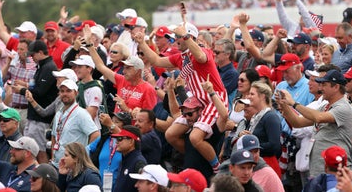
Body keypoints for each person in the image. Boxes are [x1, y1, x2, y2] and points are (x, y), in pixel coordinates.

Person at [135, 22, 228, 172]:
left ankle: (216, 167)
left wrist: (185, 36)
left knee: (195, 137)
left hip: (214, 99)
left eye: (177, 36)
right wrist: (142, 43)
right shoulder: (181, 57)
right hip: (197, 102)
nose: (175, 39)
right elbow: (156, 61)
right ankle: (196, 154)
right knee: (171, 134)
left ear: (189, 37)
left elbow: (200, 57)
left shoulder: (204, 51)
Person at [278, 69, 352, 177]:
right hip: (318, 170)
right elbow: (298, 123)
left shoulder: (344, 106)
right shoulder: (325, 106)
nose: (320, 88)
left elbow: (318, 117)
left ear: (336, 87)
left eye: (324, 84)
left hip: (336, 172)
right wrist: (285, 105)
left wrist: (293, 103)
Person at [84, 25, 157, 115]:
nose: (124, 71)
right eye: (124, 67)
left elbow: (150, 118)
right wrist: (89, 44)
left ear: (138, 71)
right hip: (117, 127)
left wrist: (127, 109)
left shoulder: (148, 89)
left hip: (134, 128)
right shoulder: (122, 80)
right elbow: (100, 66)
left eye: (128, 68)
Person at [13, 40, 59, 163]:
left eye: (32, 55)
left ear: (40, 52)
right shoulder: (42, 66)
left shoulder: (49, 67)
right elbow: (35, 86)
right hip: (34, 116)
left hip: (41, 119)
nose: (31, 58)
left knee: (39, 151)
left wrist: (22, 90)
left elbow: (39, 92)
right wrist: (26, 85)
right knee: (31, 151)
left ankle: (45, 179)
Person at [51, 79, 100, 167]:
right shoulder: (59, 113)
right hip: (57, 164)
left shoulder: (81, 113)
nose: (65, 94)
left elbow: (96, 135)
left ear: (76, 93)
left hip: (73, 166)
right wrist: (53, 157)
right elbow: (54, 136)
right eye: (62, 91)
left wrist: (82, 155)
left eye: (69, 91)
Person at [243, 81, 281, 178]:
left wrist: (252, 146)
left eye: (252, 94)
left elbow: (275, 146)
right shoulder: (256, 116)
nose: (248, 97)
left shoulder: (271, 117)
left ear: (263, 97)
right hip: (256, 164)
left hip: (267, 166)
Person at [87, 112, 132, 191]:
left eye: (116, 122)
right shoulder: (104, 139)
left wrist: (111, 125)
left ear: (125, 126)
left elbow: (124, 137)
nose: (111, 123)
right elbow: (85, 150)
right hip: (100, 187)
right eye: (112, 121)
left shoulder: (128, 143)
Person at [2, 39, 36, 134]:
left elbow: (36, 88)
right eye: (18, 49)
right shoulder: (15, 65)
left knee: (25, 139)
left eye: (22, 49)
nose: (18, 52)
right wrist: (8, 63)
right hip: (13, 108)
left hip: (26, 109)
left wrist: (24, 84)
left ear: (29, 51)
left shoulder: (34, 67)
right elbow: (1, 78)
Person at [69, 55, 103, 129]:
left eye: (80, 67)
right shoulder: (77, 86)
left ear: (89, 68)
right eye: (76, 66)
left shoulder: (95, 88)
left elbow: (91, 114)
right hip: (77, 128)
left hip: (90, 130)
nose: (76, 69)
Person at [111, 125, 147, 192]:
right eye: (116, 139)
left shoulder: (139, 162)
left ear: (131, 141)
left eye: (120, 138)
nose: (116, 142)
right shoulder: (124, 160)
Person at [213, 38, 239, 108]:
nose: (214, 54)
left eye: (217, 52)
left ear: (227, 54)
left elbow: (219, 94)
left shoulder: (232, 74)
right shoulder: (216, 70)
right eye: (214, 51)